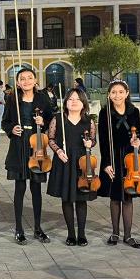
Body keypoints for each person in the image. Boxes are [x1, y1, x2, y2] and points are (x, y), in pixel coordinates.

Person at [1, 68, 55, 244]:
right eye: (22, 79)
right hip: (19, 145)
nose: (26, 81)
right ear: (17, 82)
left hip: (37, 146)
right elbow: (5, 122)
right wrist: (11, 129)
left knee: (36, 189)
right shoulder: (13, 99)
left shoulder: (43, 98)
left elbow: (51, 120)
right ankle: (19, 229)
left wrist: (44, 122)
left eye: (29, 78)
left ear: (35, 80)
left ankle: (38, 228)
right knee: (20, 188)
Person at [47, 88, 97, 246]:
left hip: (82, 163)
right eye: (70, 99)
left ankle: (82, 234)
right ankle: (71, 234)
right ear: (65, 102)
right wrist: (58, 151)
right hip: (64, 161)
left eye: (77, 99)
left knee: (82, 199)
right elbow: (51, 139)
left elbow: (93, 141)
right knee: (67, 198)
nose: (74, 102)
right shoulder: (58, 119)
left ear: (83, 103)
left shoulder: (89, 121)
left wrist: (90, 143)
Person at [97, 80, 140, 248]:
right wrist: (106, 163)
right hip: (113, 156)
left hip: (130, 157)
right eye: (113, 92)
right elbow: (102, 140)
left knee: (128, 196)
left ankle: (128, 236)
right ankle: (115, 233)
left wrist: (137, 141)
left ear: (127, 93)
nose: (117, 95)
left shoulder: (134, 111)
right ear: (109, 95)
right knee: (115, 196)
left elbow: (137, 133)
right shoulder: (105, 113)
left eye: (120, 91)